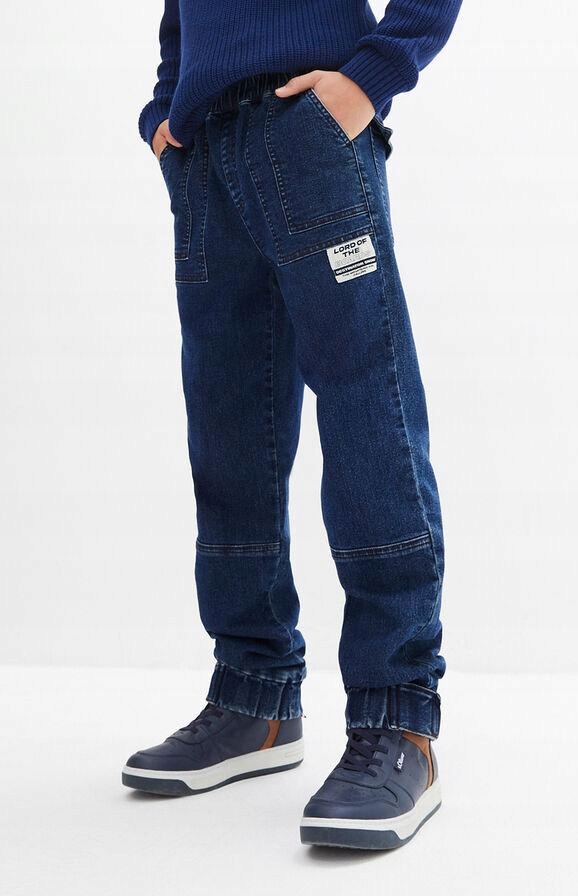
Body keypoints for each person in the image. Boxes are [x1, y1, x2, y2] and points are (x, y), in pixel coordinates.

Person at [123, 0, 462, 850]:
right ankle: (255, 697)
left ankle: (396, 721)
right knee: (228, 428)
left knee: (367, 414)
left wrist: (369, 80)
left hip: (307, 132)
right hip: (206, 156)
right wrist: (165, 114)